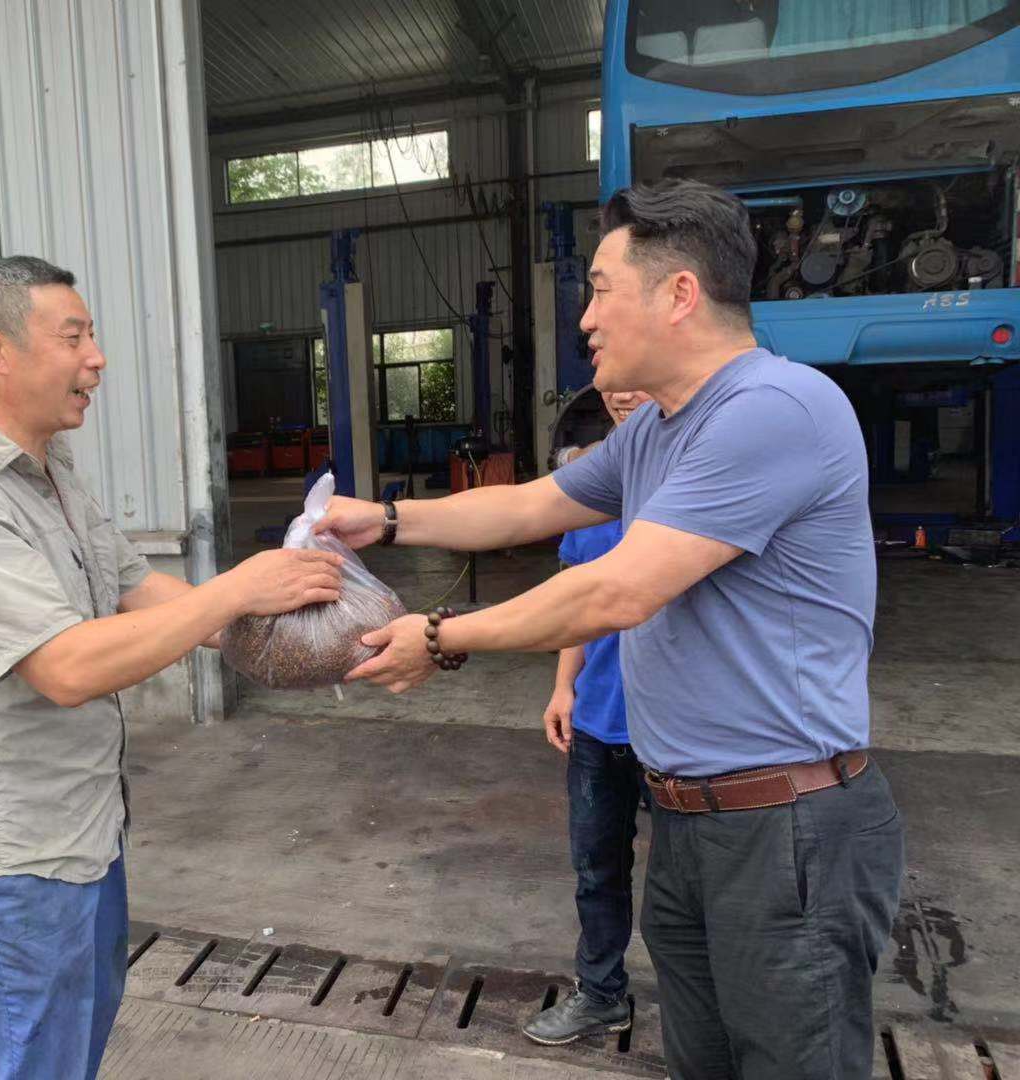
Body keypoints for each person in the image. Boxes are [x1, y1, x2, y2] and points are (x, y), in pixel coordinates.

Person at [316, 180, 904, 1080]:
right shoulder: (658, 429)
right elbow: (531, 505)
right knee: (702, 1062)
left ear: (679, 295)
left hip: (785, 830)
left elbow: (616, 592)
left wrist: (440, 637)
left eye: (599, 290)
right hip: (690, 821)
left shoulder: (774, 408)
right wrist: (388, 521)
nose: (585, 319)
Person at [0, 256, 342, 1080]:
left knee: (71, 1054)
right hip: (13, 861)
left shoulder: (51, 472)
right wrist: (239, 588)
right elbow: (63, 667)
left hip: (83, 831)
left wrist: (295, 637)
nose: (96, 358)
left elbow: (137, 588)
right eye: (74, 337)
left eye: (91, 335)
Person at [523, 389, 651, 1048]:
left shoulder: (695, 484)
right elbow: (575, 605)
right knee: (598, 869)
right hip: (601, 718)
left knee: (700, 885)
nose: (624, 391)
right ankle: (602, 995)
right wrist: (562, 686)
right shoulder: (590, 498)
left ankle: (714, 1015)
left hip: (680, 729)